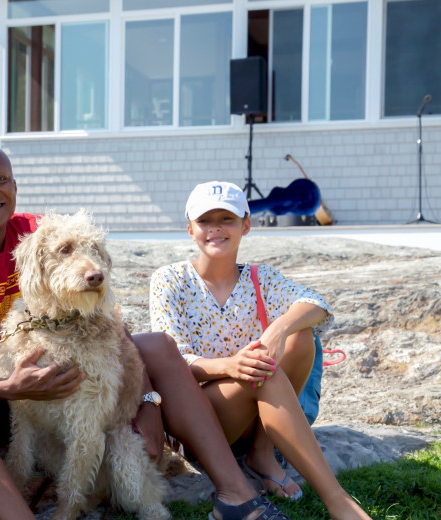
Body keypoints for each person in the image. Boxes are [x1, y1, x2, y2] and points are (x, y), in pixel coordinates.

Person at [0, 141, 289, 520]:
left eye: (0, 179)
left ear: (15, 188)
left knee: (157, 344)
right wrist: (9, 387)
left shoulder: (44, 232)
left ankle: (234, 492)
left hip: (49, 374)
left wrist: (147, 402)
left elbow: (106, 318)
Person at [146, 180, 372, 519]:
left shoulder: (260, 277)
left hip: (257, 411)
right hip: (199, 421)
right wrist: (231, 365)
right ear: (190, 229)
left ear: (245, 225)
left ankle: (262, 452)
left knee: (299, 335)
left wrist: (278, 330)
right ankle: (338, 502)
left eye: (228, 219)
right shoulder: (170, 279)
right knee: (261, 372)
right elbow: (172, 360)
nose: (216, 229)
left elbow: (317, 304)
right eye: (206, 221)